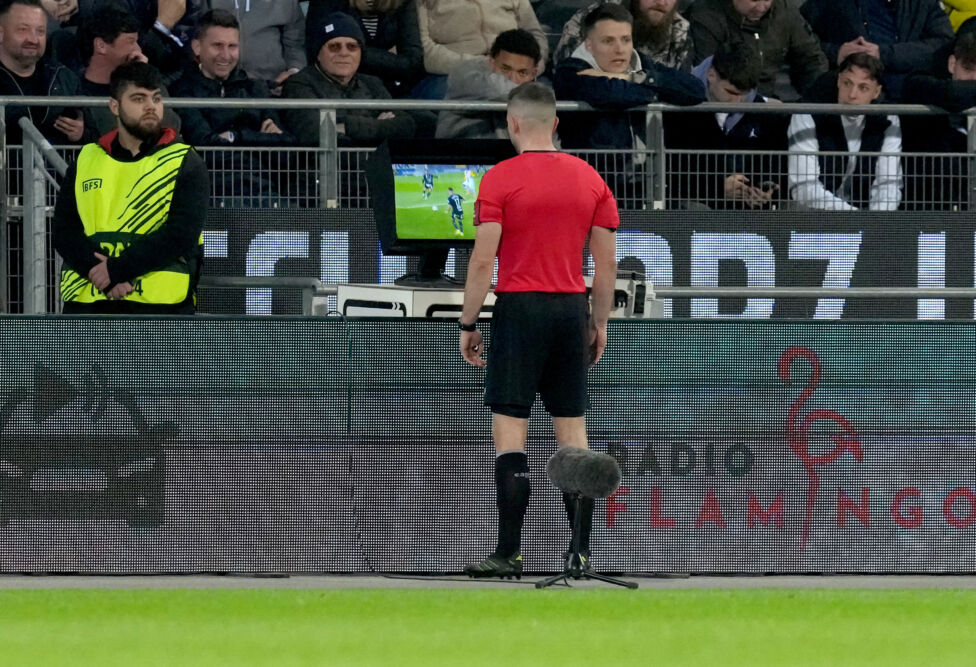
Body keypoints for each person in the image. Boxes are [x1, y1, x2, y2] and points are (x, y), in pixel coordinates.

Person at [458, 82, 618, 578]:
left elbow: (484, 261)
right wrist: (599, 322)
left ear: (512, 124)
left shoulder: (500, 180)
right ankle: (580, 555)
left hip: (519, 308)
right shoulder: (590, 178)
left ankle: (509, 553)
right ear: (555, 124)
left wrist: (468, 321)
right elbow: (606, 265)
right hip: (570, 309)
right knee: (572, 434)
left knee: (511, 432)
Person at [52, 61, 208, 314]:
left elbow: (180, 234)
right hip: (88, 303)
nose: (150, 107)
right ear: (115, 106)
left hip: (161, 308)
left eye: (156, 99)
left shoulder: (185, 160)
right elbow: (64, 230)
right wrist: (102, 273)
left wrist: (115, 271)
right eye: (138, 99)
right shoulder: (87, 158)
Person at [552, 4, 703, 204]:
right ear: (588, 44)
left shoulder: (640, 64)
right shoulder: (570, 71)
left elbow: (696, 90)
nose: (620, 49)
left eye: (626, 40)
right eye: (608, 41)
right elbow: (613, 94)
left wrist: (636, 78)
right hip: (595, 189)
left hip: (645, 185)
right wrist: (658, 91)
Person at [170, 8, 295, 206]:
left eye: (232, 46)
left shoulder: (255, 89)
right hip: (211, 197)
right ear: (196, 47)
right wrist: (260, 139)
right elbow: (205, 148)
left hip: (264, 193)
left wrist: (236, 136)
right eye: (217, 46)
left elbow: (285, 149)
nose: (226, 55)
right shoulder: (181, 90)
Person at [664, 43, 789, 209]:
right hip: (693, 215)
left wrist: (762, 190)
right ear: (711, 75)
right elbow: (671, 175)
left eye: (743, 95)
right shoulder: (679, 109)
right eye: (730, 92)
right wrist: (716, 188)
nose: (737, 103)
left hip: (751, 218)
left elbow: (776, 170)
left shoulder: (766, 113)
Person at [787, 53, 903, 211]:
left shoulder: (887, 119)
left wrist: (876, 222)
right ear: (838, 81)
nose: (852, 95)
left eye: (863, 88)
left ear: (876, 92)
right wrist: (853, 217)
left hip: (866, 220)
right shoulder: (808, 113)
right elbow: (804, 188)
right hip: (812, 218)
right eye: (847, 83)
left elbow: (888, 185)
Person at [282, 11, 414, 145]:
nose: (344, 53)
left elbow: (405, 125)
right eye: (334, 46)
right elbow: (315, 134)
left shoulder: (372, 83)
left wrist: (346, 126)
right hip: (325, 164)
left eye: (352, 47)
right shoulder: (299, 83)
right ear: (318, 54)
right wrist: (377, 126)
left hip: (375, 162)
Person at [801, 0, 954, 101]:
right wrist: (837, 53)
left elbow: (943, 44)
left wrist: (885, 54)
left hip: (910, 100)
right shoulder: (826, 3)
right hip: (850, 101)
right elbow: (799, 42)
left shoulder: (922, 3)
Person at [687, 0, 828, 101]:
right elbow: (707, 73)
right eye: (754, 0)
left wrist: (819, 97)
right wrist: (759, 101)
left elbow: (811, 59)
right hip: (728, 100)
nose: (761, 7)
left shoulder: (785, 11)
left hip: (771, 104)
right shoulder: (706, 15)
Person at [77, 5, 182, 135]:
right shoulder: (74, 89)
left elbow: (170, 127)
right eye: (131, 42)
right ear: (101, 46)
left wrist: (145, 77)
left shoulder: (138, 80)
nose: (138, 50)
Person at [901, 31, 976, 209]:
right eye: (968, 69)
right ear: (952, 64)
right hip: (925, 205)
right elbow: (953, 95)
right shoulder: (920, 83)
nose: (973, 79)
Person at [413, 0, 548, 99]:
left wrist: (534, 65)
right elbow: (424, 49)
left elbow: (535, 34)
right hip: (451, 74)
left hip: (516, 69)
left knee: (547, 100)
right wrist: (483, 64)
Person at [0, 0, 86, 144]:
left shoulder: (64, 77)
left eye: (40, 31)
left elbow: (95, 138)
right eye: (23, 29)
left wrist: (81, 134)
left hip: (56, 166)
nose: (33, 39)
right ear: (1, 33)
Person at [436, 28, 542, 139]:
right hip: (460, 152)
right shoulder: (465, 73)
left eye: (522, 73)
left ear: (533, 74)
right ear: (491, 62)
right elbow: (499, 90)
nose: (512, 79)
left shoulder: (535, 94)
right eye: (505, 69)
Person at [304, 0, 423, 97]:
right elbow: (318, 49)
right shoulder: (327, 2)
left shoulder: (403, 2)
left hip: (388, 87)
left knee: (428, 120)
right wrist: (390, 61)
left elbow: (413, 61)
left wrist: (356, 54)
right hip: (338, 86)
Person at [554, 0, 693, 72]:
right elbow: (567, 75)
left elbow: (687, 87)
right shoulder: (594, 18)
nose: (662, 2)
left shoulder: (680, 30)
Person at [208, 0, 305, 93]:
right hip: (215, 87)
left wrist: (293, 73)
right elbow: (197, 34)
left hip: (270, 87)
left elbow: (295, 43)